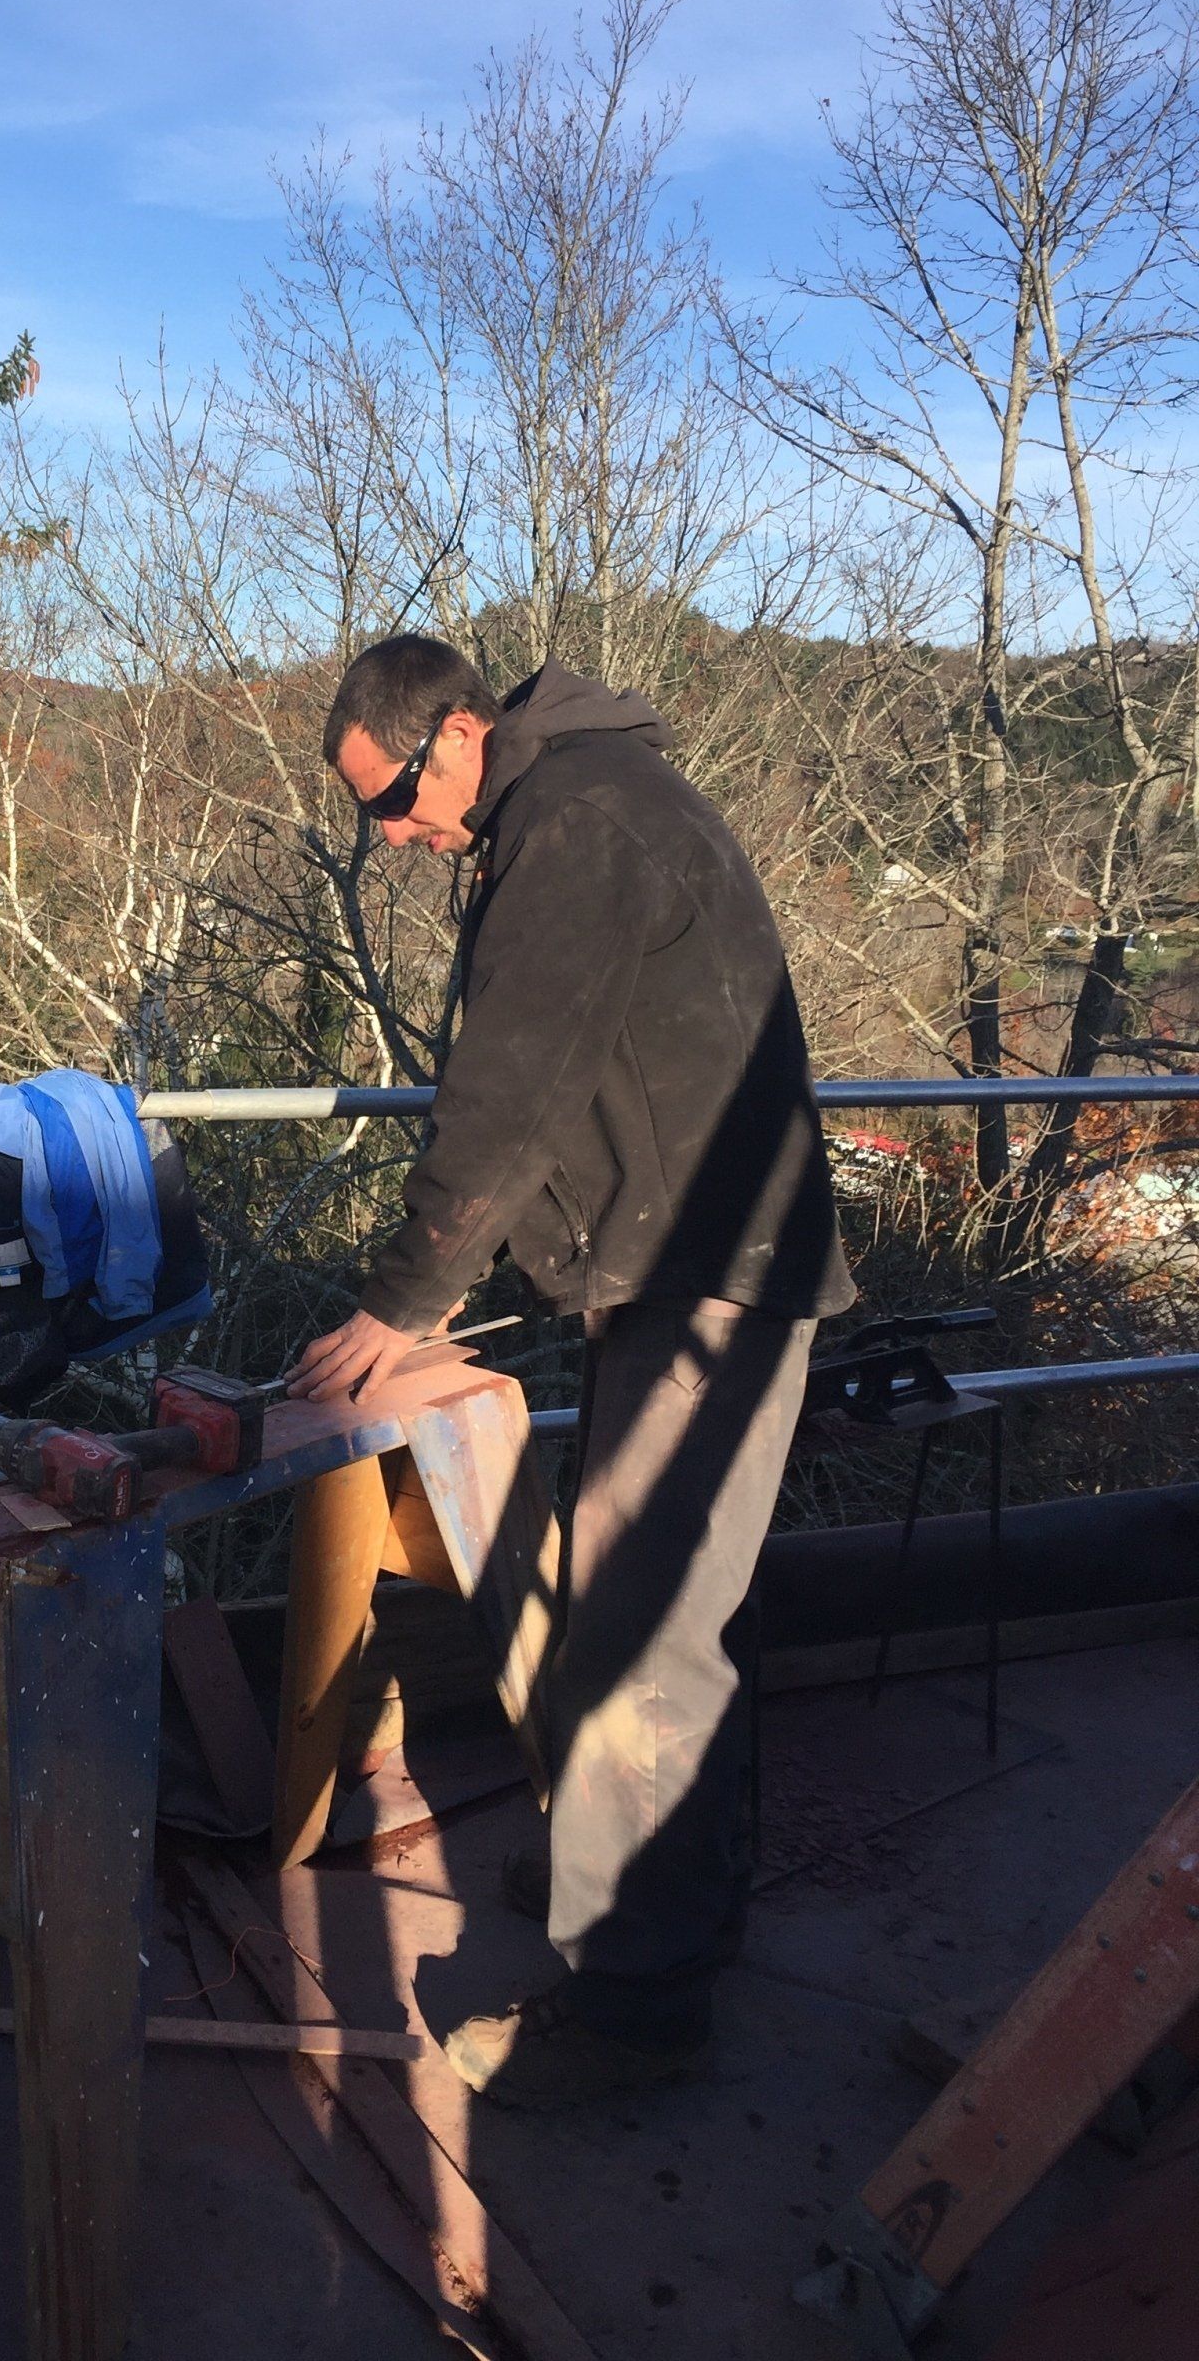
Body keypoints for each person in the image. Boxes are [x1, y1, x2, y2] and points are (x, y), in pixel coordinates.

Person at [287, 631, 853, 2110]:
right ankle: (656, 1902)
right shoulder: (575, 801)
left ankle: (636, 2010)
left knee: (640, 1640)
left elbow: (513, 1084)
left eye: (396, 795)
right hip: (681, 1267)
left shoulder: (578, 824)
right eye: (373, 814)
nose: (395, 834)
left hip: (707, 1282)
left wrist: (403, 1301)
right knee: (648, 1624)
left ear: (462, 732)